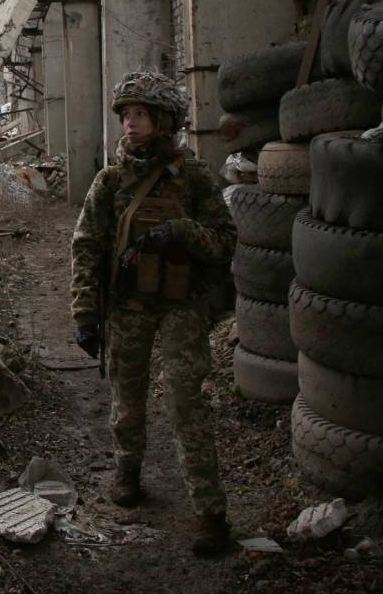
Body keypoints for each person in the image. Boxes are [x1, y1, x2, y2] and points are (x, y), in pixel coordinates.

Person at [69, 71, 237, 557]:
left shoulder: (196, 178)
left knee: (186, 401)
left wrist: (183, 231)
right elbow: (87, 247)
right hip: (128, 305)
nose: (130, 124)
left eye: (140, 114)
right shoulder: (111, 180)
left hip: (182, 305)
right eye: (125, 115)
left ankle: (210, 511)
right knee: (127, 393)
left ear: (164, 120)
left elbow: (226, 242)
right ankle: (127, 471)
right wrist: (84, 312)